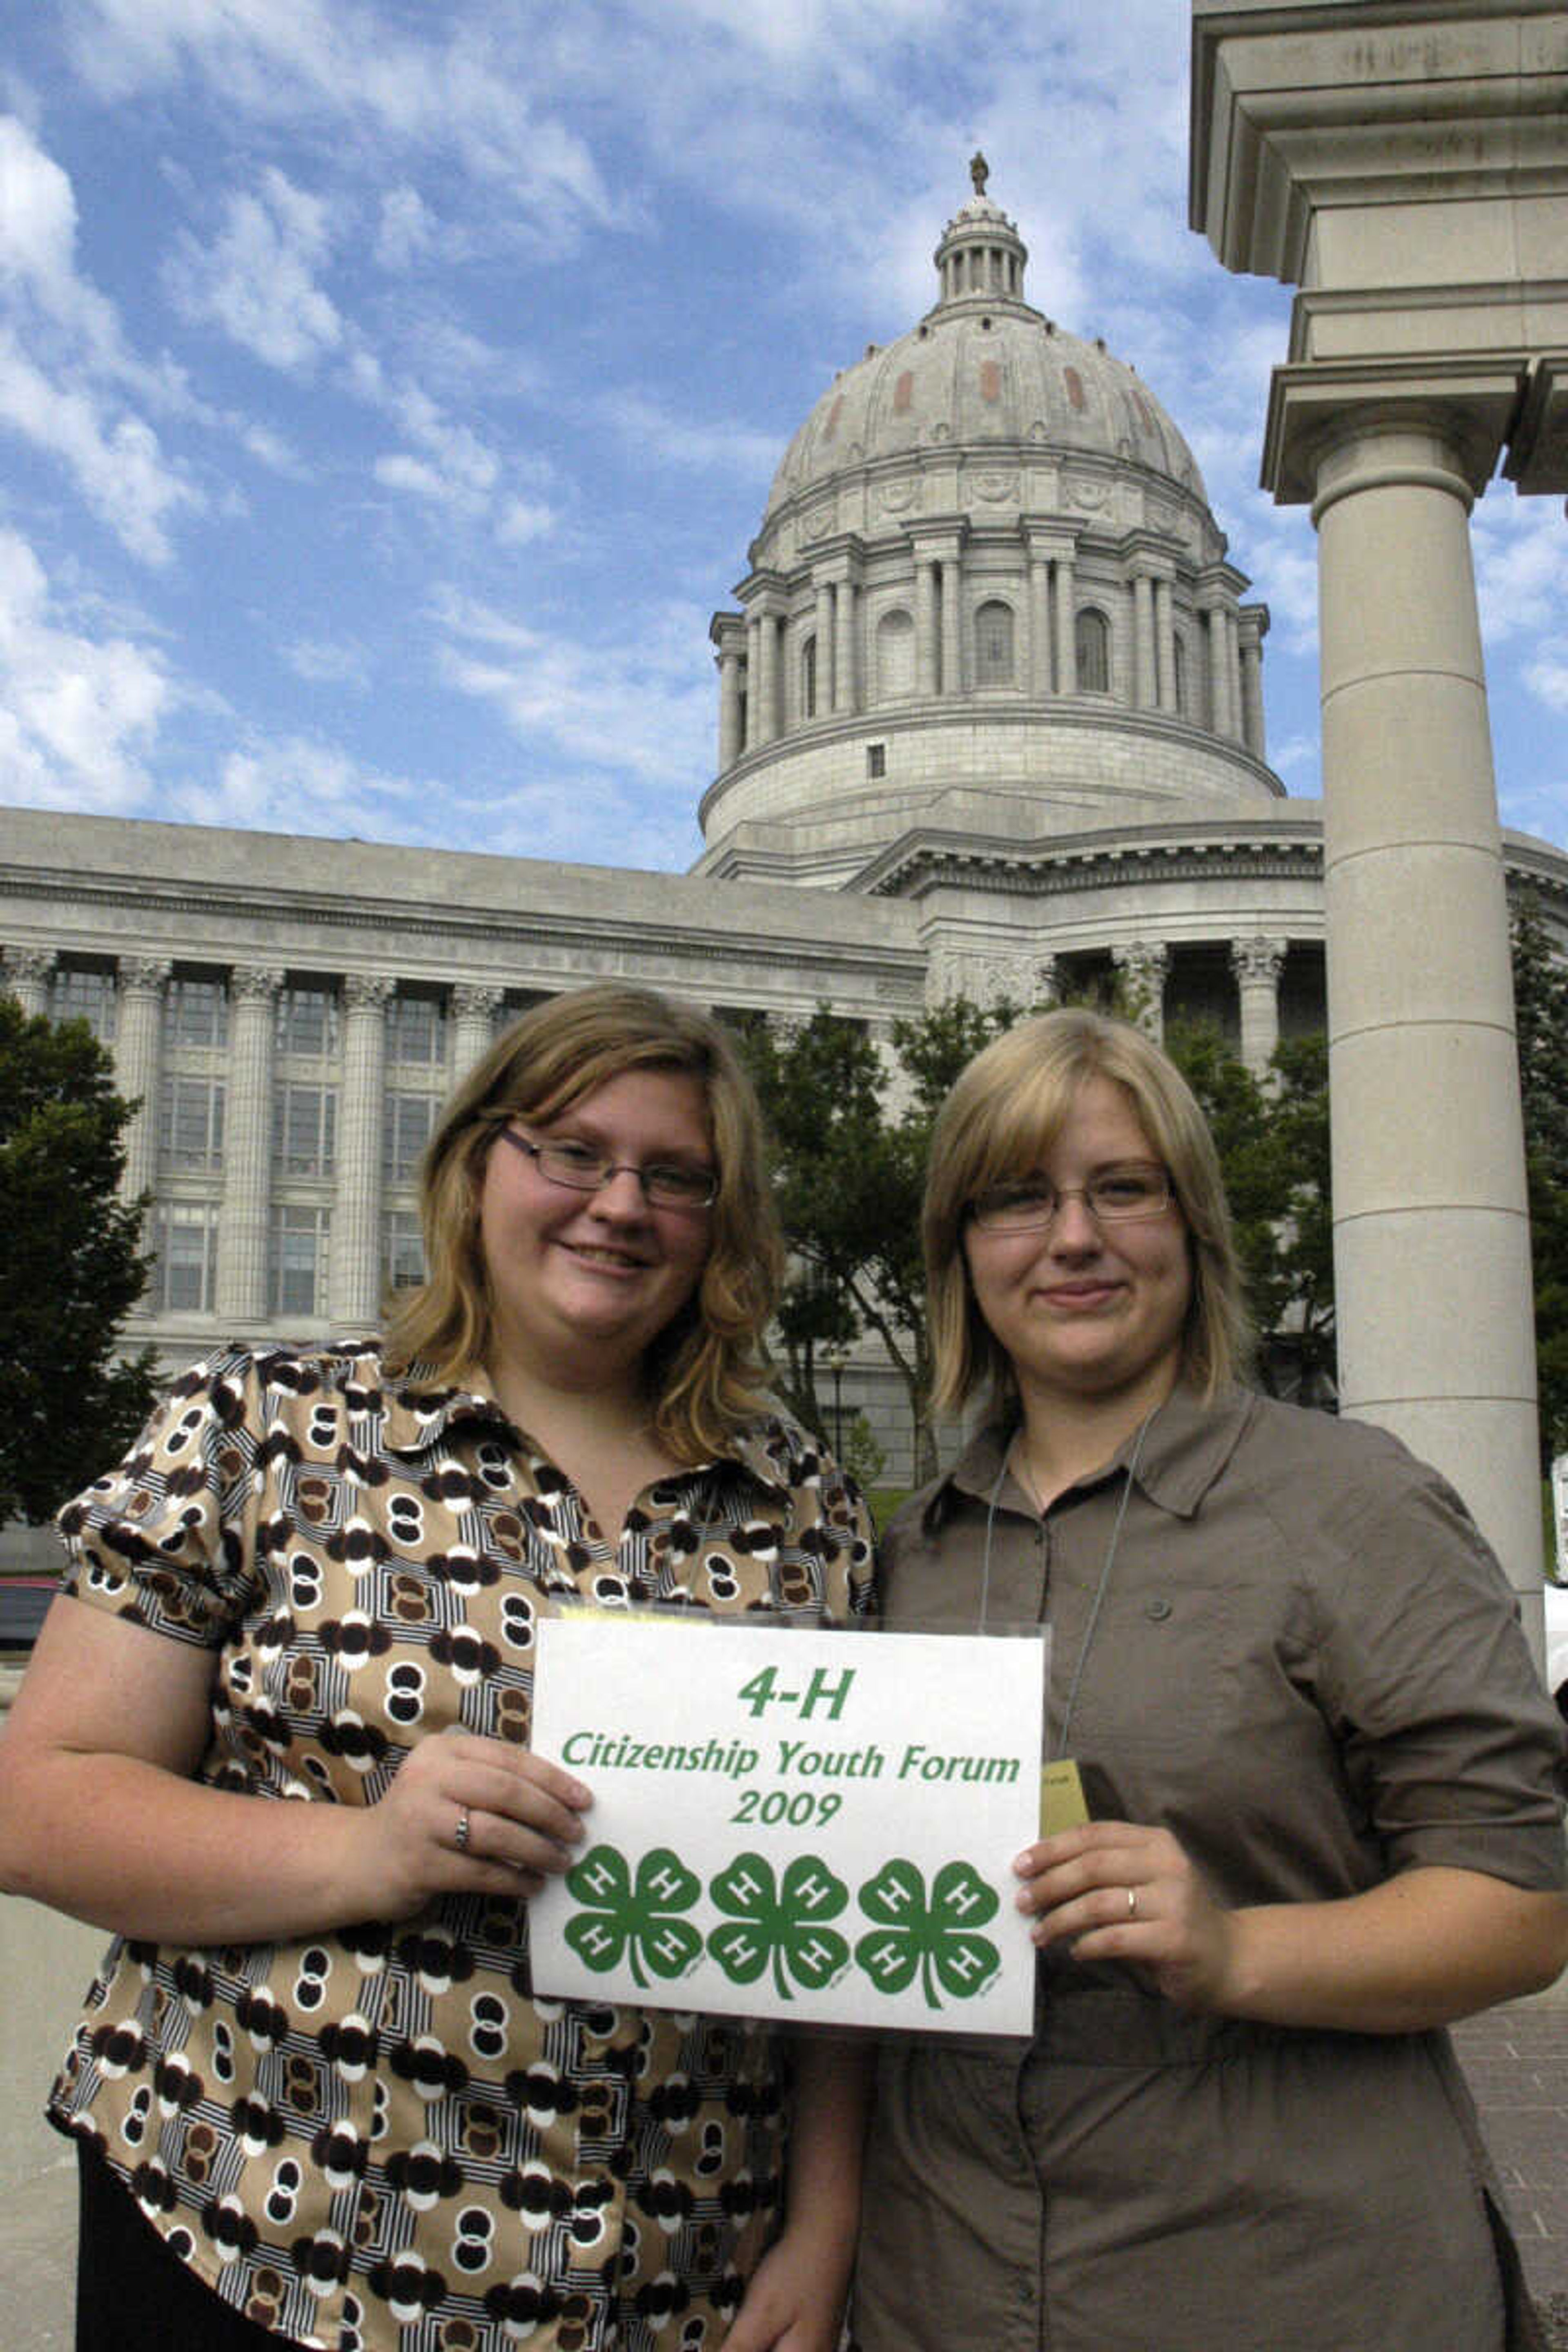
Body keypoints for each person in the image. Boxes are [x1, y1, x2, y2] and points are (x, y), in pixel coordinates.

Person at [0, 981, 874, 2352]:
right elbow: (38, 1805)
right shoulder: (267, 1426)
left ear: (723, 1225)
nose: (620, 1204)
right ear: (476, 1168)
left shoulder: (798, 1501)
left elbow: (842, 1901)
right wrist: (374, 1855)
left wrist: (824, 2229)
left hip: (666, 2279)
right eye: (571, 1152)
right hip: (264, 2240)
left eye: (676, 1177)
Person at [851, 1006, 1568, 2352]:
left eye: (1124, 1189)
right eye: (1017, 1200)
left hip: (1283, 2279)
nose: (1074, 1239)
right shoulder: (907, 1555)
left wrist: (1238, 1947)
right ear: (961, 1251)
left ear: (1193, 1227)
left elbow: (1522, 1908)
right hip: (943, 2284)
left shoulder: (1356, 1507)